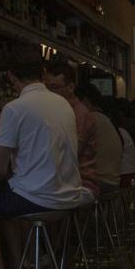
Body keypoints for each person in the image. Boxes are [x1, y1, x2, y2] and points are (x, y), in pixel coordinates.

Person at [0, 55, 88, 269]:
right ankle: (21, 266)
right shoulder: (64, 104)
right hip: (69, 196)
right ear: (42, 73)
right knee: (5, 198)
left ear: (10, 76)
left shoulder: (14, 108)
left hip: (38, 200)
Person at [43, 62, 100, 201]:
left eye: (54, 87)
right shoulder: (58, 111)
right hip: (63, 180)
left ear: (70, 87)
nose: (50, 93)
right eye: (47, 88)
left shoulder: (80, 114)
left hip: (80, 182)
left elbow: (71, 153)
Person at [78, 82, 122, 194]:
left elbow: (75, 150)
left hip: (98, 182)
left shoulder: (90, 119)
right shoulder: (104, 119)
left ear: (85, 102)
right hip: (113, 181)